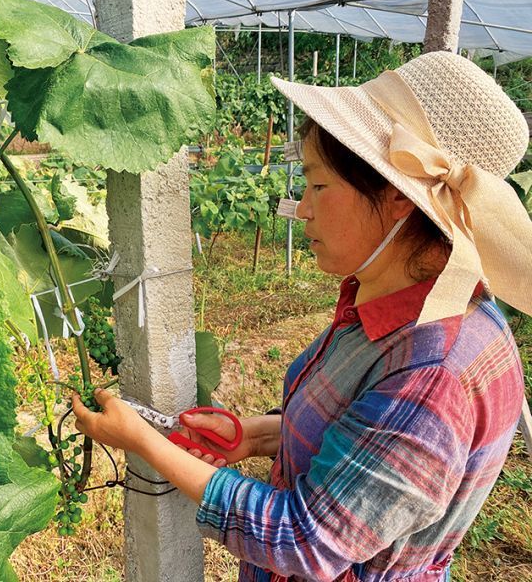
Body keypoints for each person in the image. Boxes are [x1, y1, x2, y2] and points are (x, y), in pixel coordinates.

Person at [72, 51, 531, 582]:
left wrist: (143, 440)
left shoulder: (433, 372)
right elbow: (359, 438)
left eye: (317, 185)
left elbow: (304, 540)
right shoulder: (408, 303)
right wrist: (258, 435)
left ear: (398, 199)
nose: (303, 208)